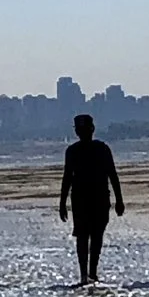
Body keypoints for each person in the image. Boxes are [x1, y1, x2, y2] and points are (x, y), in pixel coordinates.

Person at [57, 113, 124, 285]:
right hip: (81, 199)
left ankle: (91, 274)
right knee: (83, 237)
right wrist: (62, 203)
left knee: (95, 237)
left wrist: (119, 200)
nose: (83, 132)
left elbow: (112, 174)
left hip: (99, 197)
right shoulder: (73, 151)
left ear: (92, 129)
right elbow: (67, 178)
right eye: (80, 129)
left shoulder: (101, 148)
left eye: (84, 128)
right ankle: (85, 275)